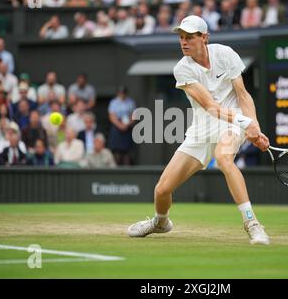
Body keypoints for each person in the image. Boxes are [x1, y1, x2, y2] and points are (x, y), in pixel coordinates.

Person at [127, 15, 271, 245]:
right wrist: (248, 124)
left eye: (190, 38)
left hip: (232, 122)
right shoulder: (182, 69)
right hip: (203, 128)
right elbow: (211, 107)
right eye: (181, 38)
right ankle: (160, 222)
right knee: (162, 190)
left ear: (204, 37)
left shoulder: (225, 54)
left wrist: (254, 126)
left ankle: (252, 224)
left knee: (224, 159)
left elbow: (243, 95)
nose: (184, 42)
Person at [108, 86, 136, 165]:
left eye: (123, 93)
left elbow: (133, 115)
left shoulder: (131, 102)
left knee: (127, 152)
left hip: (127, 127)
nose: (122, 95)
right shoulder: (113, 102)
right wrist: (120, 125)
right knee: (117, 152)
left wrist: (127, 124)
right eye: (120, 93)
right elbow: (112, 116)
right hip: (117, 127)